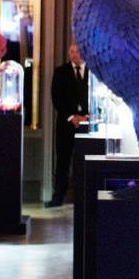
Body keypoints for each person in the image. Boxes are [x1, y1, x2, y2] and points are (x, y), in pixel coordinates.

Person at [47, 43, 89, 207]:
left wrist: (86, 117)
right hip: (66, 124)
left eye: (77, 52)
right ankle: (58, 197)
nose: (74, 55)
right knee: (63, 161)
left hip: (88, 125)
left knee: (85, 161)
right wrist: (72, 117)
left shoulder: (93, 71)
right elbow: (56, 97)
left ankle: (84, 197)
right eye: (71, 52)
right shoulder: (61, 72)